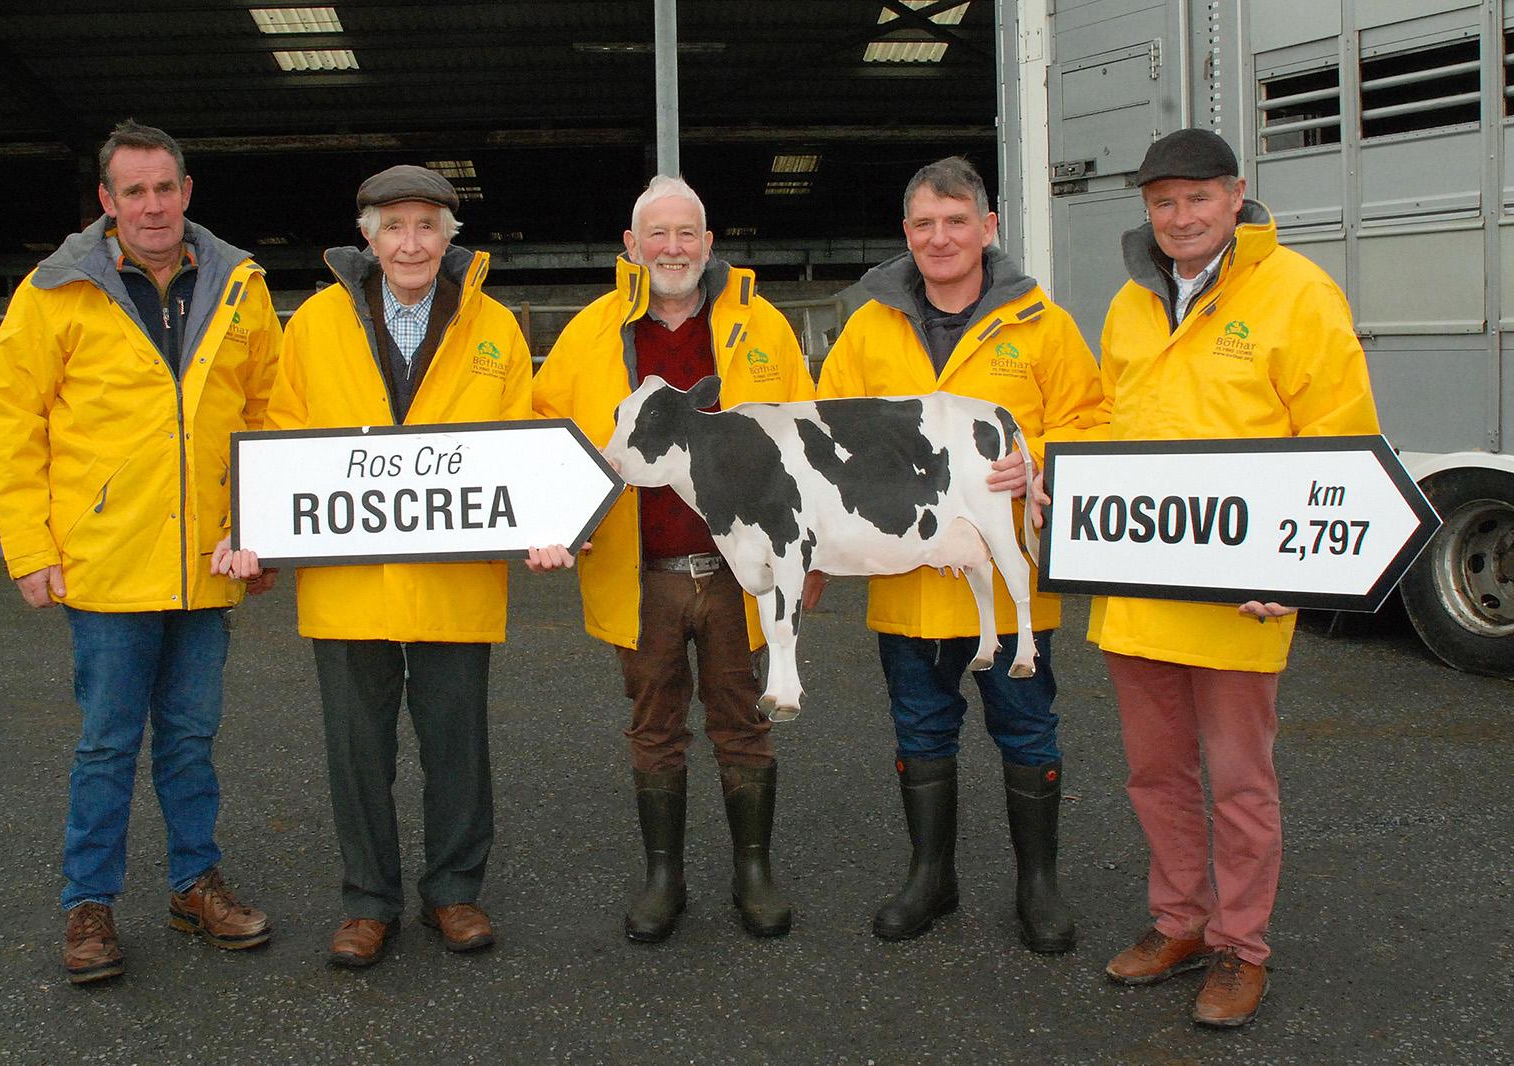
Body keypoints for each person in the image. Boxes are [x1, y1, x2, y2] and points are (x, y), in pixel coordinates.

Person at [1076, 128, 1380, 1027]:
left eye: (1197, 198)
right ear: (1147, 210)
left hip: (1239, 593)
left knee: (1241, 783)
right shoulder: (1131, 304)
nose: (1180, 217)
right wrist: (1065, 477)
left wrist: (1300, 568)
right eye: (1162, 202)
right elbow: (1106, 420)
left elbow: (1341, 440)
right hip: (1138, 589)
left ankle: (1243, 948)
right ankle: (1181, 923)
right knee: (1155, 774)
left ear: (1236, 195)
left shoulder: (1297, 294)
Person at [0, 119, 280, 984]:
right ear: (108, 202)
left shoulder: (238, 285)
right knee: (108, 742)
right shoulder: (55, 291)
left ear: (187, 192)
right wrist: (29, 548)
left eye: (165, 187)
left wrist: (259, 532)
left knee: (191, 738)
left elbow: (268, 415)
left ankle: (194, 885)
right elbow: (11, 420)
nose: (152, 205)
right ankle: (90, 906)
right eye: (133, 191)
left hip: (207, 562)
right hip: (105, 564)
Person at [227, 165, 532, 968]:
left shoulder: (496, 325)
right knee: (356, 752)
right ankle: (368, 902)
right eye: (393, 226)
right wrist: (256, 525)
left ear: (448, 237)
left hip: (453, 581)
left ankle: (454, 892)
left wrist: (545, 522)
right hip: (349, 583)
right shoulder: (315, 324)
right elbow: (284, 434)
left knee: (457, 746)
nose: (410, 242)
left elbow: (520, 442)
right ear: (365, 235)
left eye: (426, 226)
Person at [812, 156, 1102, 952]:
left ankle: (1037, 888)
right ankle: (930, 879)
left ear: (988, 228)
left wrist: (1036, 455)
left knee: (1027, 729)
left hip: (1010, 592)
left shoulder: (1042, 325)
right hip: (908, 584)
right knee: (920, 729)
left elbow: (1094, 422)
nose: (939, 238)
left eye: (955, 220)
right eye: (923, 224)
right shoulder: (870, 326)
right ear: (906, 233)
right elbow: (826, 431)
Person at [528, 175, 815, 942]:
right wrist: (557, 518)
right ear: (631, 247)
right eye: (657, 234)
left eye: (687, 233)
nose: (673, 248)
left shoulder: (764, 331)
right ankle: (664, 878)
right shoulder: (591, 333)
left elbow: (808, 444)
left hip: (739, 574)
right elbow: (540, 430)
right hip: (640, 569)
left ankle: (753, 874)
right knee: (653, 726)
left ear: (710, 243)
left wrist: (808, 560)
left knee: (744, 720)